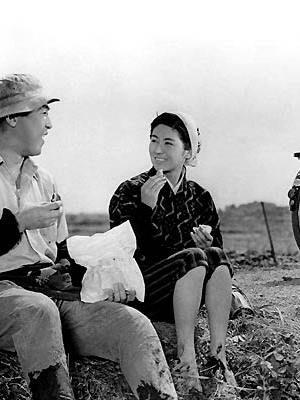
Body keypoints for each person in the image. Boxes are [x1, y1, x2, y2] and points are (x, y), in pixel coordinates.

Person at [0, 73, 178, 400]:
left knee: (132, 324)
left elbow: (60, 251)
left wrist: (82, 276)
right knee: (37, 312)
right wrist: (18, 223)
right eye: (43, 113)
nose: (50, 125)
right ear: (13, 118)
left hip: (44, 292)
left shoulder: (43, 180)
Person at [108, 112, 238, 396]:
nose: (158, 149)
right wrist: (145, 208)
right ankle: (186, 359)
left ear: (187, 151)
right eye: (154, 140)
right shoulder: (131, 191)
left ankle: (219, 355)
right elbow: (120, 253)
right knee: (192, 258)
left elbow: (219, 256)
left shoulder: (200, 197)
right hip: (145, 291)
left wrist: (206, 244)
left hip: (190, 294)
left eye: (168, 143)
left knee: (213, 255)